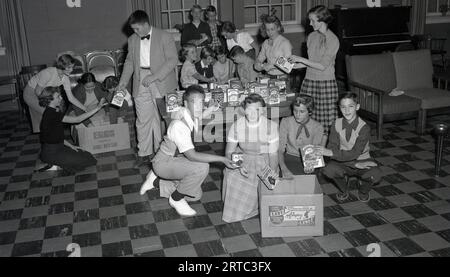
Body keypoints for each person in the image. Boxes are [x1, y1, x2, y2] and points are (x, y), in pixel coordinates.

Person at [139, 85, 237, 217]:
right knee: (202, 168)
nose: (198, 106)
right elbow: (192, 156)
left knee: (195, 195)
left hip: (172, 159)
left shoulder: (187, 114)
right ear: (186, 103)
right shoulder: (179, 125)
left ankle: (155, 181)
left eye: (201, 102)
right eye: (194, 102)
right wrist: (222, 159)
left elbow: (198, 118)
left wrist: (211, 109)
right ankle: (176, 199)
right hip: (163, 163)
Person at [118, 10, 178, 168]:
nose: (135, 32)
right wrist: (123, 82)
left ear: (146, 24)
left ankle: (162, 152)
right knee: (143, 119)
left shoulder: (164, 36)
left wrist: (155, 76)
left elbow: (173, 60)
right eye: (133, 29)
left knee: (162, 118)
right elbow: (130, 62)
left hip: (161, 79)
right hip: (140, 80)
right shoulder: (132, 39)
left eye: (137, 29)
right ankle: (143, 153)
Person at [222, 94, 279, 223]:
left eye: (257, 110)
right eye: (249, 110)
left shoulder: (271, 126)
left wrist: (272, 173)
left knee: (265, 182)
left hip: (263, 159)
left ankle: (255, 207)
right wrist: (239, 166)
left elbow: (273, 154)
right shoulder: (237, 126)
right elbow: (229, 152)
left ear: (263, 110)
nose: (253, 114)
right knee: (233, 175)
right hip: (243, 157)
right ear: (244, 110)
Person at [288, 5, 340, 140]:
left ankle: (323, 150)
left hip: (325, 83)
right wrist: (294, 66)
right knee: (306, 116)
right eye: (309, 20)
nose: (310, 24)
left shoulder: (333, 39)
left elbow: (322, 66)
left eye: (313, 20)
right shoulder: (311, 36)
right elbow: (311, 63)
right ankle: (307, 146)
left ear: (323, 20)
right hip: (309, 81)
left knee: (326, 120)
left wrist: (300, 59)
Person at [321, 93, 382, 203]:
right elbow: (332, 147)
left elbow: (355, 153)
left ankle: (363, 189)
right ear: (339, 108)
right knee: (328, 170)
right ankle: (343, 187)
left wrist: (330, 153)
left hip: (361, 160)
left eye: (351, 106)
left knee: (375, 174)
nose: (347, 110)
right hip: (341, 160)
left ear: (357, 107)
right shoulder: (336, 124)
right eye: (343, 107)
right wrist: (351, 164)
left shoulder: (364, 127)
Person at [38, 86, 107, 174]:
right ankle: (54, 163)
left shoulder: (54, 110)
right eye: (58, 97)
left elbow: (56, 135)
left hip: (58, 147)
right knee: (89, 161)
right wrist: (98, 107)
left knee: (87, 156)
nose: (61, 98)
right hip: (51, 152)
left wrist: (71, 146)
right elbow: (77, 120)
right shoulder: (51, 114)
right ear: (49, 100)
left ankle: (61, 163)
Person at [23, 54, 87, 133]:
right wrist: (49, 106)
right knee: (49, 113)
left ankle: (51, 134)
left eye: (72, 67)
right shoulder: (48, 73)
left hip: (45, 93)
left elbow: (71, 98)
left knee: (54, 112)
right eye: (69, 67)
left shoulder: (65, 78)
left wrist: (85, 108)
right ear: (61, 66)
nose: (71, 70)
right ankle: (51, 135)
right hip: (31, 93)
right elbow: (37, 91)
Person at [279, 95, 324, 178]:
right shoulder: (286, 122)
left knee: (307, 181)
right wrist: (283, 168)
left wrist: (311, 165)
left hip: (308, 158)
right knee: (288, 179)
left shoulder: (318, 127)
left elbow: (315, 151)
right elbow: (280, 150)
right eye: (295, 111)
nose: (297, 114)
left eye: (302, 111)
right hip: (289, 158)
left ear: (310, 111)